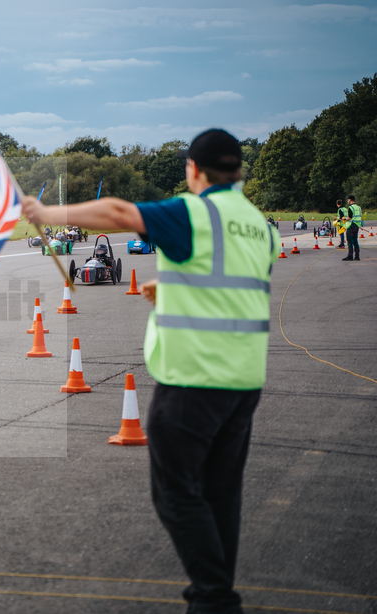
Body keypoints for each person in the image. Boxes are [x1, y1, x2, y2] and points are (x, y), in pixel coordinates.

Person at [22, 128, 280, 614]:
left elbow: (119, 213)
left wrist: (46, 214)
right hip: (244, 380)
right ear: (239, 170)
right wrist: (173, 287)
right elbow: (234, 284)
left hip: (194, 377)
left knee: (175, 493)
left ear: (193, 170)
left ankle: (215, 599)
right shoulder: (259, 225)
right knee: (220, 496)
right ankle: (214, 595)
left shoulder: (195, 211)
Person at [343, 195, 362, 261]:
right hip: (357, 226)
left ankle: (350, 256)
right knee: (355, 241)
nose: (348, 201)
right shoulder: (358, 208)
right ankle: (357, 256)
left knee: (350, 242)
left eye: (348, 200)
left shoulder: (351, 208)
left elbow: (350, 217)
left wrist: (344, 219)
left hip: (351, 226)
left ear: (350, 200)